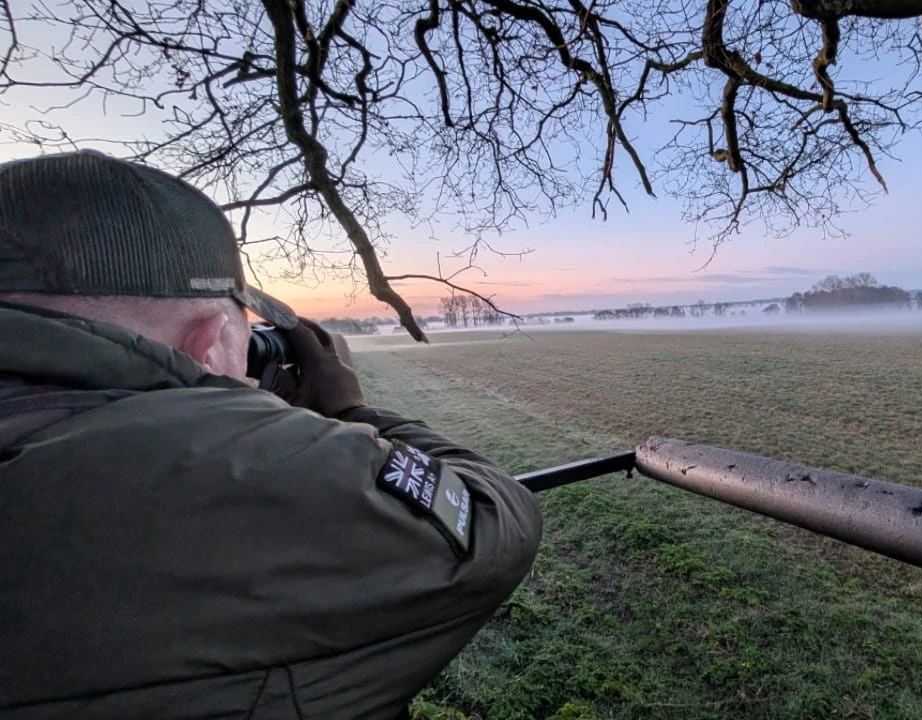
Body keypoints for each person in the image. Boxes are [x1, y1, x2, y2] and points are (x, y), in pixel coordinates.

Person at [0, 150, 544, 719]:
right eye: (248, 333)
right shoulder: (253, 466)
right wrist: (351, 409)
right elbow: (495, 521)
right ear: (209, 340)